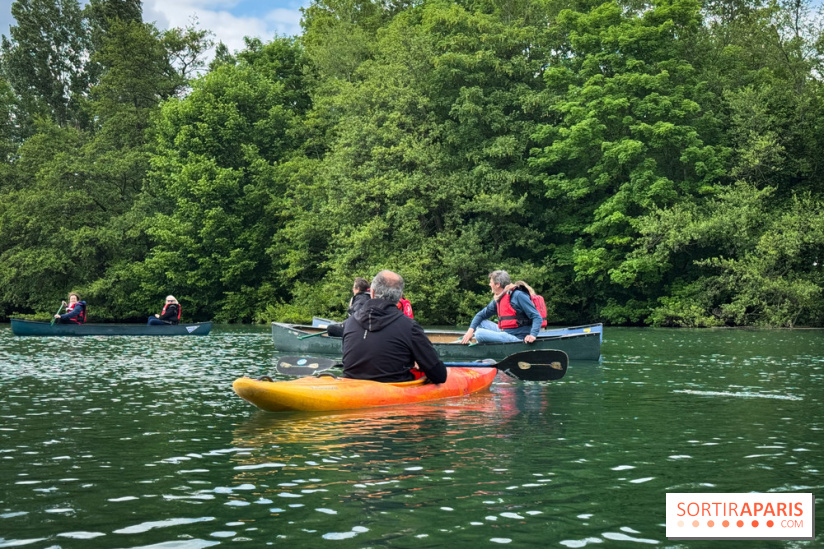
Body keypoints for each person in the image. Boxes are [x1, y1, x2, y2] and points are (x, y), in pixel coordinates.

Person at [341, 270, 447, 383]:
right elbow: (439, 375)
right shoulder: (410, 327)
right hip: (393, 394)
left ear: (372, 293)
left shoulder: (349, 323)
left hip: (351, 390)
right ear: (399, 297)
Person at [460, 270, 542, 344]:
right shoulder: (500, 298)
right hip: (505, 332)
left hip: (517, 338)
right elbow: (480, 315)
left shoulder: (518, 295)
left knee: (479, 333)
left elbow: (537, 316)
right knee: (480, 323)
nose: (489, 284)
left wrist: (532, 335)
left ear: (497, 285)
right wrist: (470, 331)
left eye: (491, 282)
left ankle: (485, 350)